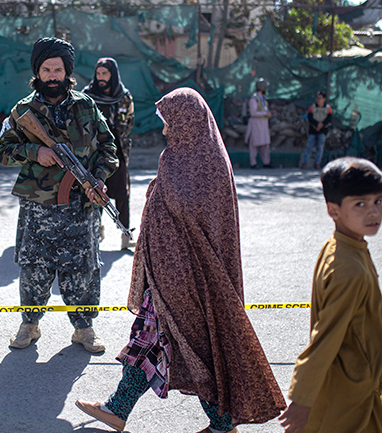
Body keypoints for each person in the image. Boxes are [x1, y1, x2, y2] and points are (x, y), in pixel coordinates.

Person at [75, 88, 286, 432]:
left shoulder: (203, 163)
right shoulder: (184, 157)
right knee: (151, 338)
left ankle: (219, 423)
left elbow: (193, 217)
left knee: (193, 347)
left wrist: (160, 197)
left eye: (168, 122)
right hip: (167, 272)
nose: (164, 130)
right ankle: (119, 409)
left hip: (188, 278)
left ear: (186, 122)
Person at [279, 157, 382, 433]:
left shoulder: (344, 248)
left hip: (358, 384)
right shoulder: (348, 268)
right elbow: (325, 336)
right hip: (348, 389)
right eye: (360, 204)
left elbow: (370, 303)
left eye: (378, 201)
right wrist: (302, 399)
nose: (373, 212)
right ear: (333, 210)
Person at [0, 37, 118, 353]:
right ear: (37, 72)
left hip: (81, 206)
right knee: (34, 268)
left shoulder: (86, 106)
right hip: (38, 207)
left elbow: (108, 147)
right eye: (47, 69)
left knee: (84, 269)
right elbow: (3, 151)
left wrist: (99, 179)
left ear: (67, 73)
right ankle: (30, 324)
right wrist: (35, 152)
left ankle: (84, 329)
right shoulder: (23, 110)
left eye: (58, 70)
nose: (52, 76)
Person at [82, 57, 135, 250]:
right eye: (98, 73)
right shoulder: (87, 96)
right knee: (96, 190)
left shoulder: (123, 96)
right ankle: (96, 230)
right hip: (94, 152)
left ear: (113, 75)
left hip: (117, 150)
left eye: (105, 73)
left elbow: (129, 121)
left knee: (122, 193)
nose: (101, 77)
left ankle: (125, 234)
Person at [244, 78, 274, 169]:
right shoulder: (254, 99)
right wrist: (265, 114)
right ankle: (253, 163)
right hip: (256, 124)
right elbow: (253, 113)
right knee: (254, 144)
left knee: (265, 144)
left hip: (264, 124)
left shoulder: (263, 98)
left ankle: (266, 162)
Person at [301, 91, 332, 169]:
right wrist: (317, 125)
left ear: (324, 99)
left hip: (323, 131)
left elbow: (329, 119)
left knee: (320, 148)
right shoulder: (312, 107)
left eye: (320, 98)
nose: (318, 100)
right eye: (317, 98)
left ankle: (317, 163)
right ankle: (304, 162)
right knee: (309, 147)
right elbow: (310, 117)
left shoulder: (328, 108)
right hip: (313, 130)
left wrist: (321, 125)